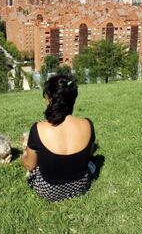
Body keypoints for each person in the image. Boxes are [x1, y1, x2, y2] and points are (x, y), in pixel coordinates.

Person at [21, 74, 95, 202]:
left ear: (50, 100)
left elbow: (29, 165)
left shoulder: (38, 128)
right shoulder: (87, 124)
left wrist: (23, 156)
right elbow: (89, 153)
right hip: (81, 185)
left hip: (49, 191)